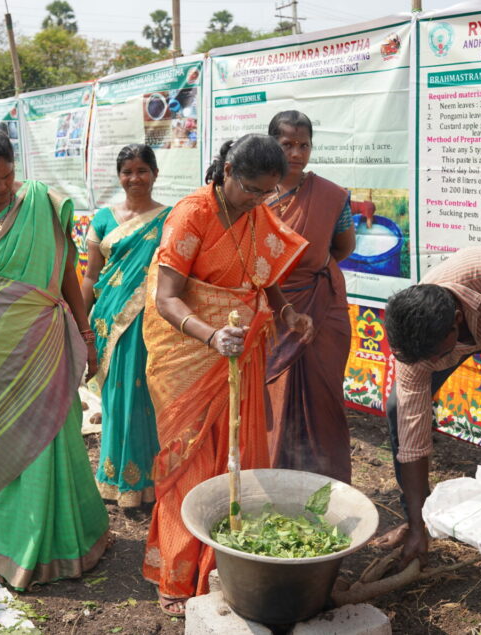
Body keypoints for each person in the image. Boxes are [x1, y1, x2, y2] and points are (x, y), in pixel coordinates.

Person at [142, 134, 314, 614]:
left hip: (242, 350)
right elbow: (166, 297)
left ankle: (227, 567)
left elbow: (264, 270)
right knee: (191, 463)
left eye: (269, 193)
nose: (261, 201)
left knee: (238, 456)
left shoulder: (255, 211)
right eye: (254, 190)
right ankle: (176, 575)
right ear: (228, 171)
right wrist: (212, 337)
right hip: (190, 355)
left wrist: (285, 312)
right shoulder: (192, 213)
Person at [0, 126, 112, 589]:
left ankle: (73, 540)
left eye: (8, 176)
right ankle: (15, 546)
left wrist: (85, 330)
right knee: (4, 443)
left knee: (60, 435)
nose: (2, 187)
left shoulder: (40, 200)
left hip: (50, 339)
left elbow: (67, 272)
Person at [375, 246, 481, 569]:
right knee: (398, 409)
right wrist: (418, 525)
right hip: (461, 334)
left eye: (433, 358)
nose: (429, 365)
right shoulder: (417, 349)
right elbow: (412, 441)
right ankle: (418, 518)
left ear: (456, 322)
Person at [265, 110, 355, 482]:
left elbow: (344, 247)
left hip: (320, 306)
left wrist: (306, 265)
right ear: (272, 145)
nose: (297, 153)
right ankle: (271, 483)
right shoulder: (255, 191)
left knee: (322, 399)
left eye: (304, 145)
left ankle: (325, 484)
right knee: (270, 399)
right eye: (287, 144)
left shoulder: (332, 196)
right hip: (269, 307)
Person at [80, 144, 170, 508]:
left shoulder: (170, 218)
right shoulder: (102, 218)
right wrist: (79, 322)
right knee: (116, 400)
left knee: (145, 398)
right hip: (108, 321)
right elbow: (90, 276)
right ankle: (113, 477)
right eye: (127, 171)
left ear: (154, 173)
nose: (135, 178)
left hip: (151, 319)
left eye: (142, 170)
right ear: (119, 176)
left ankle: (150, 480)